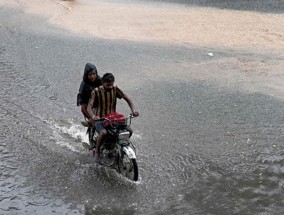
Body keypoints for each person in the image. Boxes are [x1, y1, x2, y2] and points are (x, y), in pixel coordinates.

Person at [87, 73, 139, 163]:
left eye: (111, 84)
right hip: (100, 119)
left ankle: (118, 146)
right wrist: (93, 116)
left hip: (113, 118)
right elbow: (89, 106)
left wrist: (134, 110)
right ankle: (97, 151)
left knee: (129, 131)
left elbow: (127, 98)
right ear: (103, 83)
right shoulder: (96, 91)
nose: (110, 87)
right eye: (108, 85)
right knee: (103, 132)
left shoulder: (115, 89)